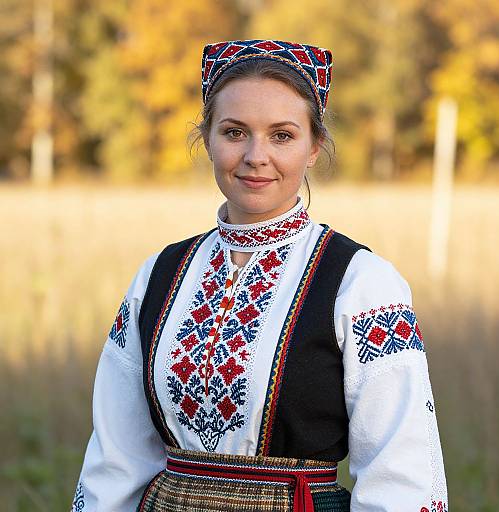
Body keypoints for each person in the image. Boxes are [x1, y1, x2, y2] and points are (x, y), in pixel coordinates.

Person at [70, 39, 448, 512]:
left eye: (282, 135)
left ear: (315, 148)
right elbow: (116, 456)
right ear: (207, 138)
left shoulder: (361, 283)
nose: (255, 155)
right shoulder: (159, 275)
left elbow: (401, 471)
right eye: (234, 132)